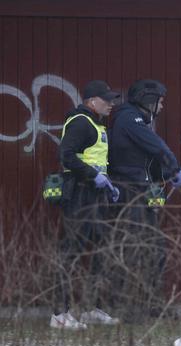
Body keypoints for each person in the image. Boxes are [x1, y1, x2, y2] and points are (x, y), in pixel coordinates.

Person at [108, 79, 181, 321]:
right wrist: (174, 168)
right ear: (148, 100)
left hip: (141, 191)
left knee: (155, 250)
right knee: (134, 249)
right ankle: (129, 309)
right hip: (129, 193)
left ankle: (153, 304)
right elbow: (157, 147)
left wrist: (166, 176)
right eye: (160, 102)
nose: (162, 107)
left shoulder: (137, 122)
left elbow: (142, 162)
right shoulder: (128, 119)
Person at [51, 80, 121, 329]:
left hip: (95, 195)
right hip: (80, 195)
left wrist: (108, 184)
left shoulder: (96, 123)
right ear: (92, 101)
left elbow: (95, 160)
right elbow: (66, 155)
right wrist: (94, 176)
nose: (111, 104)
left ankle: (92, 308)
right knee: (70, 253)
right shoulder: (81, 122)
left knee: (101, 251)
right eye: (107, 99)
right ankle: (59, 315)